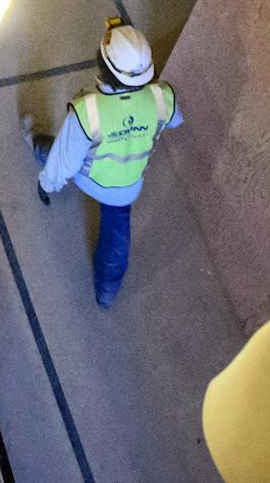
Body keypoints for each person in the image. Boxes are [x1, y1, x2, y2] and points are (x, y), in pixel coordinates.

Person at [26, 18, 184, 309]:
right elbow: (175, 119)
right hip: (125, 186)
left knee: (57, 151)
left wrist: (46, 184)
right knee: (116, 239)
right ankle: (106, 293)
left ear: (102, 66)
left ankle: (34, 141)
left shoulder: (88, 111)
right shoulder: (162, 98)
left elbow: (66, 162)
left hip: (88, 178)